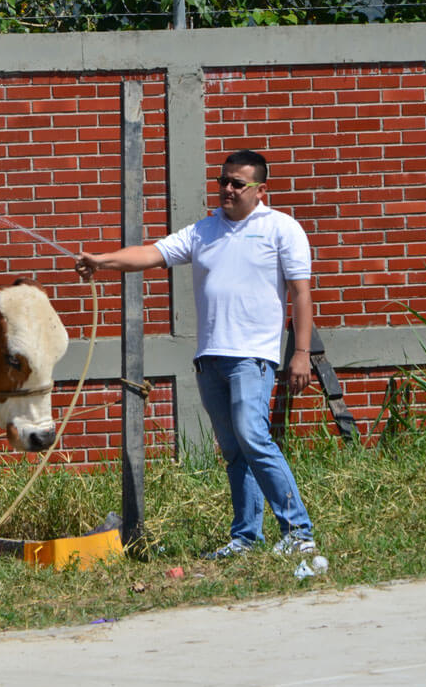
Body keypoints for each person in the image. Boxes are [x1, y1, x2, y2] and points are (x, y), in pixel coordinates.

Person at [75, 149, 317, 559]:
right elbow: (152, 254)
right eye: (222, 180)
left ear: (260, 190)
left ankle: (298, 531)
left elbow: (301, 294)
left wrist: (302, 353)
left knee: (255, 438)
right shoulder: (204, 231)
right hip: (210, 358)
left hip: (253, 357)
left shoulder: (282, 229)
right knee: (234, 450)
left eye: (237, 183)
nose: (226, 189)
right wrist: (102, 261)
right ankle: (245, 538)